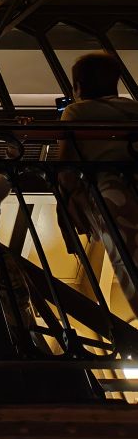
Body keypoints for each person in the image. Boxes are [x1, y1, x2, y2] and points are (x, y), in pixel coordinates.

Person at [58, 51, 138, 316]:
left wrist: (68, 198)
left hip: (110, 190)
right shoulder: (133, 108)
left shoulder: (75, 111)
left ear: (79, 86)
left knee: (127, 257)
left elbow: (66, 165)